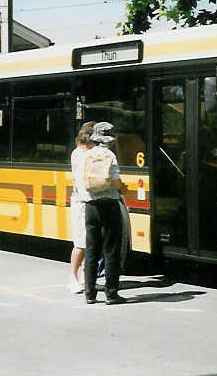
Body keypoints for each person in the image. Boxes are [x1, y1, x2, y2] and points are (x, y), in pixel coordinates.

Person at [81, 122, 127, 305]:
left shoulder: (87, 155)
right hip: (109, 205)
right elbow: (115, 181)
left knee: (92, 249)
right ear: (110, 139)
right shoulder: (110, 155)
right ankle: (111, 293)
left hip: (91, 206)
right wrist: (123, 188)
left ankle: (90, 293)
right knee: (111, 249)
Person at [67, 121, 96, 294]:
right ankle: (73, 277)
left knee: (89, 243)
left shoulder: (91, 153)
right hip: (81, 202)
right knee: (80, 243)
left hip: (90, 202)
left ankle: (85, 277)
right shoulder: (78, 154)